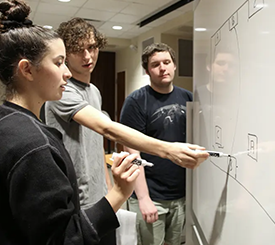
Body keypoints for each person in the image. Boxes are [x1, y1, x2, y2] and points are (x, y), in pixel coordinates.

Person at [0, 0, 141, 244]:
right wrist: (119, 193)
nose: (68, 73)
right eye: (59, 62)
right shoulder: (33, 145)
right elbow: (67, 238)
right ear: (27, 70)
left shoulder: (3, 122)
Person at [44, 19, 209, 211]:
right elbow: (106, 129)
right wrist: (168, 150)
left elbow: (98, 144)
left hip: (99, 195)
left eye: (91, 47)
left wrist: (108, 188)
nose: (87, 56)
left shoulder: (94, 91)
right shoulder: (61, 91)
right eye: (77, 50)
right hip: (73, 198)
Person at [120, 43, 192, 245]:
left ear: (174, 65)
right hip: (151, 196)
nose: (163, 68)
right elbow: (132, 152)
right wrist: (143, 198)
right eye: (155, 64)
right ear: (147, 70)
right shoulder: (136, 101)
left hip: (180, 195)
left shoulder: (188, 98)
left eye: (167, 62)